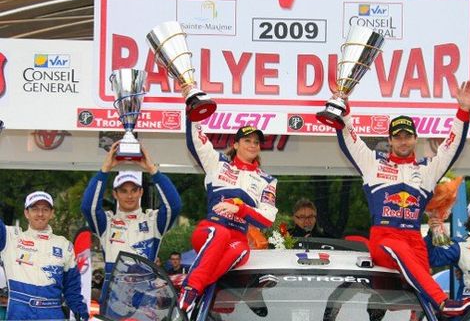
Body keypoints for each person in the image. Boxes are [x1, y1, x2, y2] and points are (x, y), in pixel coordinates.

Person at [334, 81, 470, 317]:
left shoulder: (428, 170)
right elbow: (350, 140)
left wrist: (463, 111)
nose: (402, 141)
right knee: (421, 277)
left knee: (420, 297)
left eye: (407, 136)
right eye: (397, 137)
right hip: (384, 238)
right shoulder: (373, 164)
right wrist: (344, 112)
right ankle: (444, 301)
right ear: (389, 140)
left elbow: (451, 148)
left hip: (414, 239)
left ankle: (431, 308)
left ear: (415, 139)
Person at [179, 85, 278, 316]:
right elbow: (196, 140)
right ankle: (189, 291)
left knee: (242, 252)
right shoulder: (218, 164)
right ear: (235, 144)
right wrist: (191, 110)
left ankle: (198, 292)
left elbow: (267, 220)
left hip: (237, 237)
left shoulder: (267, 180)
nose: (252, 145)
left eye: (256, 142)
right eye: (247, 140)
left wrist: (240, 208)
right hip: (210, 230)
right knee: (221, 235)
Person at [81, 142, 182, 302]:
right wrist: (104, 170)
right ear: (115, 194)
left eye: (134, 190)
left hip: (146, 298)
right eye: (123, 190)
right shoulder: (107, 222)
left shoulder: (153, 220)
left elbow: (174, 205)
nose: (130, 196)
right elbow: (88, 207)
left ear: (141, 192)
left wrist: (152, 170)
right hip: (113, 297)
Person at [0, 191, 88, 320]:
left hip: (51, 313)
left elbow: (72, 287)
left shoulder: (64, 245)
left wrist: (80, 312)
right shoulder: (11, 237)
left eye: (45, 209)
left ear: (52, 213)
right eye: (35, 209)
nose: (40, 214)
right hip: (19, 312)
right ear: (26, 213)